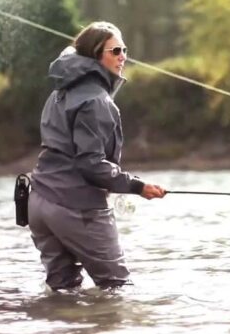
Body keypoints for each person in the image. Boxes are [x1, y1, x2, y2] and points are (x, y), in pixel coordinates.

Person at [28, 21, 166, 291]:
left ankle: (62, 332)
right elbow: (91, 165)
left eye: (124, 49)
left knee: (62, 290)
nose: (123, 56)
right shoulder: (97, 101)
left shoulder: (59, 93)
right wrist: (138, 186)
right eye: (115, 50)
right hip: (75, 207)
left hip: (39, 203)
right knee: (117, 288)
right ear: (94, 55)